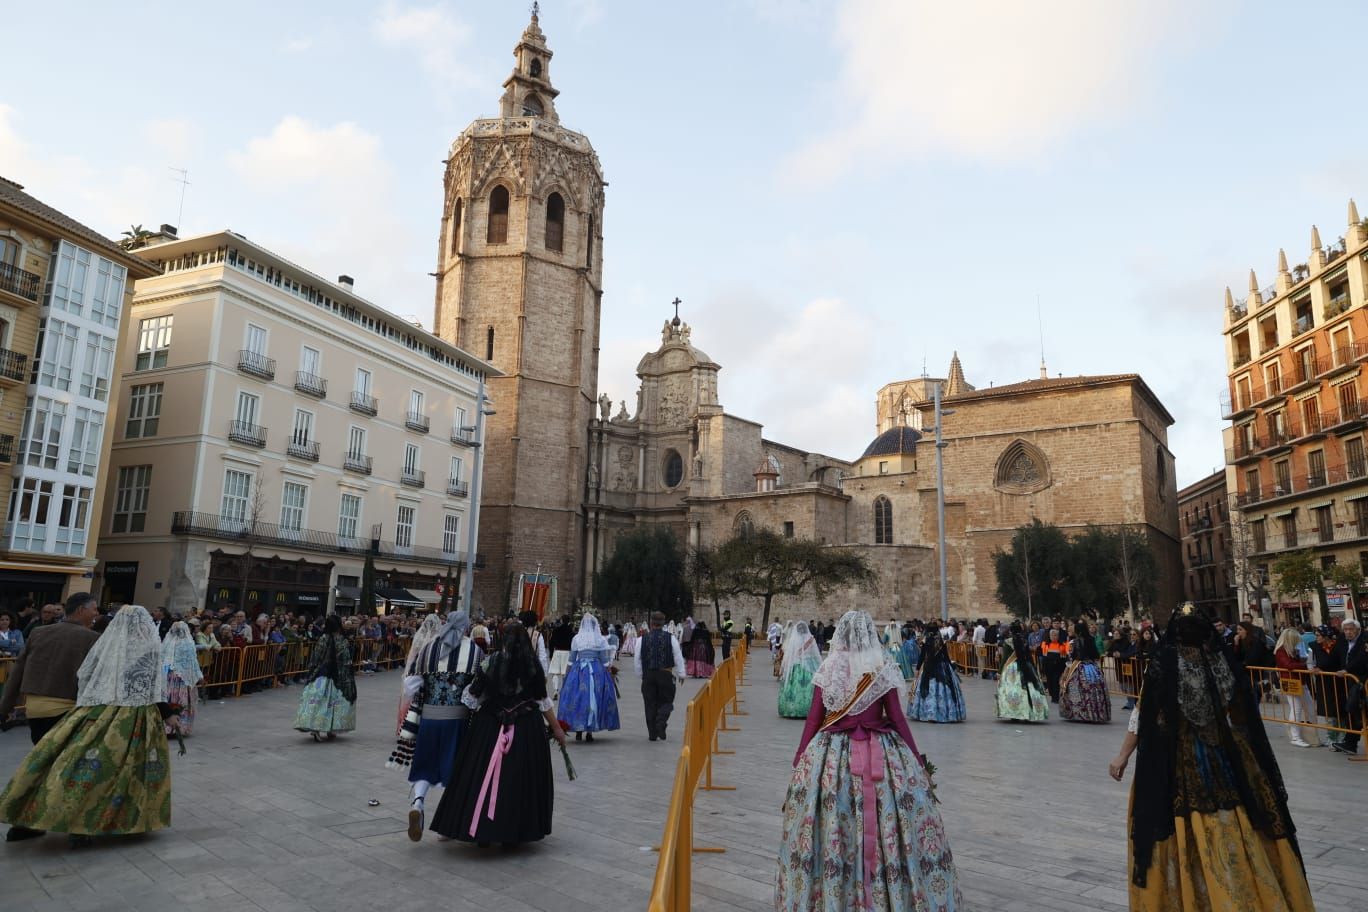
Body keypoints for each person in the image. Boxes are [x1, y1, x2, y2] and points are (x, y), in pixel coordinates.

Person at [1107, 609, 1314, 910]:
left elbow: (1144, 716)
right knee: (1241, 825)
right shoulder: (1222, 666)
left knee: (1177, 827)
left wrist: (1123, 756)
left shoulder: (1165, 666)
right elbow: (1243, 717)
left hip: (1179, 759)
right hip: (1226, 755)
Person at [777, 610, 961, 911]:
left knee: (831, 823)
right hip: (882, 754)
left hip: (830, 758)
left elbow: (813, 720)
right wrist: (916, 759)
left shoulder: (829, 667)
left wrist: (800, 760)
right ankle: (890, 891)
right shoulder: (880, 665)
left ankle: (833, 892)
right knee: (892, 821)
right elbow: (898, 719)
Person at [0, 605, 180, 848]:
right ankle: (92, 823)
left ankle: (30, 818)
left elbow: (84, 675)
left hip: (92, 711)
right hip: (134, 718)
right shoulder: (147, 648)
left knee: (64, 763)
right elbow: (152, 687)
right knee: (121, 771)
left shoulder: (105, 645)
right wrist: (168, 714)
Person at [429, 621, 566, 846]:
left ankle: (481, 827)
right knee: (519, 778)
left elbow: (472, 697)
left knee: (480, 775)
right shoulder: (532, 666)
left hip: (490, 727)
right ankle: (515, 830)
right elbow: (542, 701)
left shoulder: (489, 663)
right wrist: (558, 729)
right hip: (526, 729)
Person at [388, 611, 482, 841]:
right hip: (457, 720)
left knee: (426, 763)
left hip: (429, 719)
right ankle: (446, 826)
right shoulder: (475, 652)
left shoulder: (428, 649)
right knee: (455, 770)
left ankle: (418, 804)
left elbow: (410, 686)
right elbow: (479, 690)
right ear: (465, 627)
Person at [0, 593, 101, 748]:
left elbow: (17, 673)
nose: (97, 613)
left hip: (34, 710)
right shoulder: (93, 638)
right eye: (94, 609)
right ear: (81, 610)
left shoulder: (38, 632)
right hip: (67, 710)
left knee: (40, 752)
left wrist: (5, 707)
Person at [558, 614, 620, 743]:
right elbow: (604, 661)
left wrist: (566, 675)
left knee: (578, 698)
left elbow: (571, 660)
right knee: (595, 698)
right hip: (596, 671)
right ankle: (590, 731)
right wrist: (610, 672)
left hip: (579, 671)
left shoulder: (577, 638)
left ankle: (579, 730)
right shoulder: (600, 639)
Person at [293, 615, 356, 741]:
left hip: (321, 675)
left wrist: (311, 671)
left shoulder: (323, 638)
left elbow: (316, 657)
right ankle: (331, 728)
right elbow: (346, 659)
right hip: (338, 677)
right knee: (335, 702)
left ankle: (317, 727)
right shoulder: (341, 640)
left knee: (318, 700)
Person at [633, 612, 687, 741]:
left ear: (651, 623)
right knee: (667, 700)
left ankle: (652, 733)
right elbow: (678, 656)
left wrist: (640, 674)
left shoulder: (642, 639)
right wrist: (681, 673)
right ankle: (661, 720)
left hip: (649, 675)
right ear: (663, 624)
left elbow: (637, 659)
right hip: (665, 673)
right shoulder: (671, 638)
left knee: (650, 703)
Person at [907, 630, 965, 722]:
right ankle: (947, 713)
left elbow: (922, 656)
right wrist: (952, 668)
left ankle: (929, 713)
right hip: (943, 667)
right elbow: (946, 657)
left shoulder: (926, 643)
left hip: (928, 668)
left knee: (928, 690)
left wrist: (918, 669)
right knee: (946, 690)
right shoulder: (942, 642)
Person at [995, 623, 1049, 722]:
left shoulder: (1008, 642)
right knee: (1029, 688)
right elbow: (1028, 655)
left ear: (1011, 631)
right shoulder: (1024, 640)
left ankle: (1015, 713)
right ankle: (1030, 711)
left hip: (1012, 668)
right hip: (1026, 666)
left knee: (1013, 689)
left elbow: (1005, 658)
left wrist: (999, 671)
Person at [1059, 621, 1111, 724]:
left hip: (1078, 666)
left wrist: (1066, 672)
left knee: (1073, 686)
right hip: (1092, 667)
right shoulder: (1091, 639)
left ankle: (1078, 713)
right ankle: (1096, 713)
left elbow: (1071, 658)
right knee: (1094, 689)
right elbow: (1096, 655)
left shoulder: (1074, 642)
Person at [1331, 617, 1367, 756]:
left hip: (1361, 680)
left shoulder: (1364, 639)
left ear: (1357, 629)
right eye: (1345, 629)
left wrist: (1347, 670)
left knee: (1356, 710)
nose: (1348, 632)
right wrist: (1319, 667)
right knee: (1351, 711)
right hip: (1348, 682)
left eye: (1351, 629)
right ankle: (1350, 742)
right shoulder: (1342, 640)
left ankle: (1351, 741)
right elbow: (1334, 657)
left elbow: (1362, 658)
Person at [161, 621, 202, 736]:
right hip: (183, 679)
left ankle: (168, 726)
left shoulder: (167, 642)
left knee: (170, 699)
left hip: (169, 677)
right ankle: (180, 726)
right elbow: (193, 662)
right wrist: (198, 676)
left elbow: (162, 661)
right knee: (181, 701)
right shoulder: (188, 643)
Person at [777, 621, 821, 718]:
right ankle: (807, 709)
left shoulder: (794, 640)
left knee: (793, 686)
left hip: (795, 665)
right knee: (808, 687)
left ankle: (790, 708)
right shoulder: (810, 638)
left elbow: (791, 654)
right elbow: (815, 653)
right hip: (808, 665)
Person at [546, 614, 574, 699]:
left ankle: (555, 690)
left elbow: (551, 643)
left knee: (555, 672)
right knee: (566, 674)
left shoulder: (556, 630)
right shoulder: (571, 632)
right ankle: (565, 690)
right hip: (567, 653)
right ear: (569, 621)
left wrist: (551, 654)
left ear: (561, 620)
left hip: (557, 652)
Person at [1039, 627, 1068, 703]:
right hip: (1048, 667)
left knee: (1055, 682)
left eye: (1055, 635)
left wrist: (1063, 669)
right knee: (1050, 682)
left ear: (1058, 636)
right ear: (1049, 636)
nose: (1054, 637)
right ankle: (1052, 695)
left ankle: (1055, 698)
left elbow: (1065, 658)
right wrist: (1043, 668)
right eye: (1052, 635)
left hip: (1058, 667)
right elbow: (1042, 656)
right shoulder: (1044, 644)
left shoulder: (1063, 645)